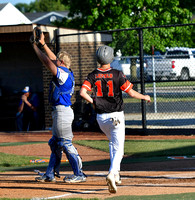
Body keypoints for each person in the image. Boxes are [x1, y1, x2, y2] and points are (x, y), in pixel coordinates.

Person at [80, 45, 151, 193]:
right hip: (116, 116)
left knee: (113, 143)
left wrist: (94, 102)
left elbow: (82, 92)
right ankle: (112, 173)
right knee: (119, 148)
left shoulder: (93, 75)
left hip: (101, 118)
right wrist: (145, 97)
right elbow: (131, 93)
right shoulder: (117, 74)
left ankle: (116, 174)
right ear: (111, 58)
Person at [31, 28, 86, 183]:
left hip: (63, 113)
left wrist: (35, 47)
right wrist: (43, 44)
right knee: (55, 143)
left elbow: (48, 62)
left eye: (58, 61)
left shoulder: (62, 74)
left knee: (65, 144)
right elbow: (54, 59)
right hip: (60, 112)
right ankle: (50, 174)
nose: (55, 62)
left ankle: (79, 173)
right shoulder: (67, 71)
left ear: (61, 63)